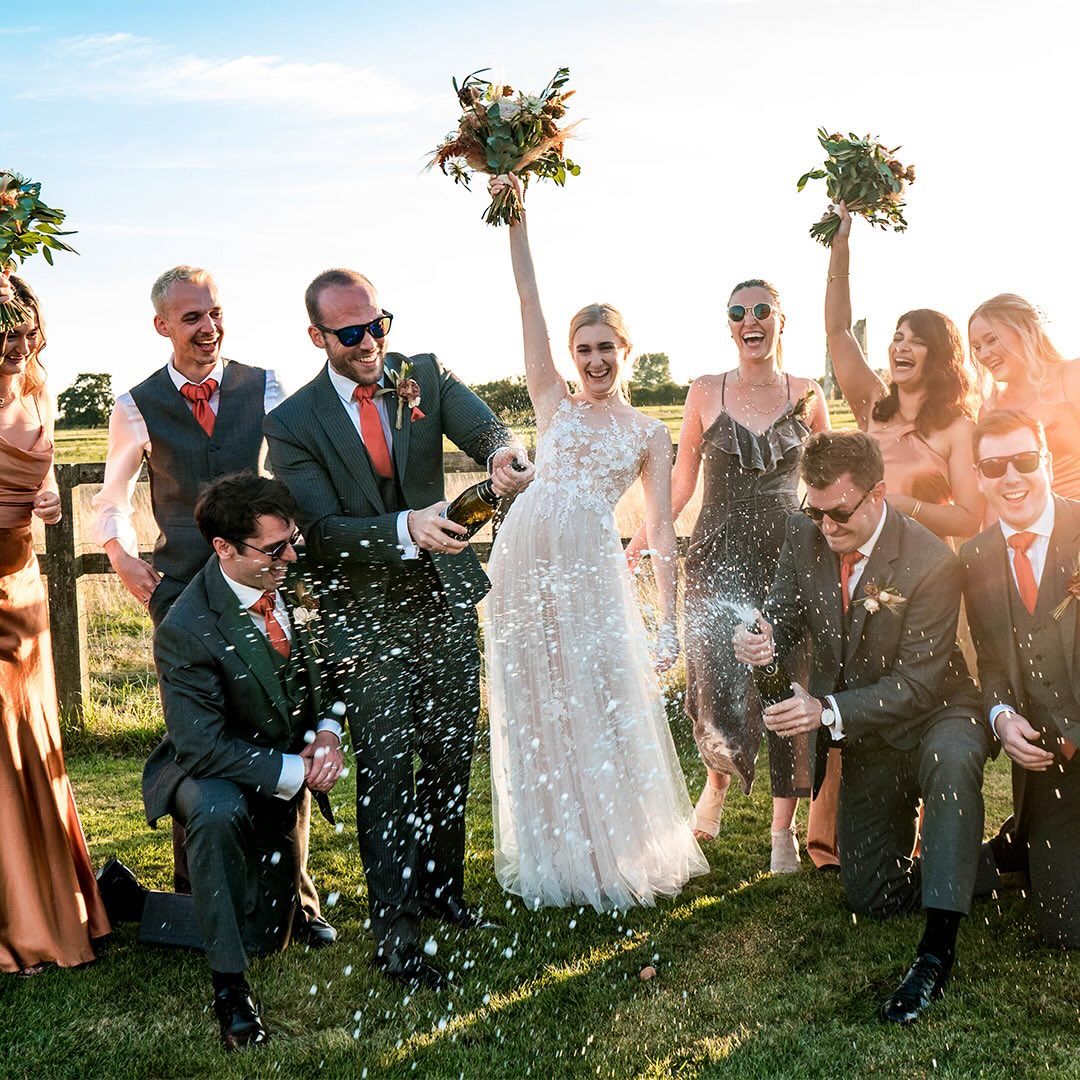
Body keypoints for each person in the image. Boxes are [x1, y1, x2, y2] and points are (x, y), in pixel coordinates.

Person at [264, 267, 534, 990]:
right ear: (317, 336)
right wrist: (403, 528)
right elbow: (317, 533)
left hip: (442, 603)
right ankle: (397, 935)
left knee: (450, 755)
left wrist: (503, 454)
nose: (370, 343)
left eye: (378, 325)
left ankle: (445, 893)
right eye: (351, 333)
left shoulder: (423, 373)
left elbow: (485, 427)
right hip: (362, 616)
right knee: (386, 771)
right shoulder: (290, 424)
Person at [484, 173, 707, 911]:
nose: (595, 359)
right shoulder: (552, 400)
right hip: (522, 561)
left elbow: (665, 532)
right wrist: (516, 213)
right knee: (538, 700)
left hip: (587, 567)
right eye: (585, 348)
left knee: (600, 698)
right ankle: (556, 853)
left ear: (627, 350)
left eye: (607, 347)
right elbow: (526, 301)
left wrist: (669, 620)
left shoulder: (648, 434)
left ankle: (611, 853)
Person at [90, 266, 333, 945]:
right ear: (163, 325)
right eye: (192, 316)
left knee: (282, 730)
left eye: (215, 312)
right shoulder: (136, 404)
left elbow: (292, 479)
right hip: (182, 598)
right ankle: (201, 894)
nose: (209, 327)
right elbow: (111, 498)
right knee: (196, 746)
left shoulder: (266, 386)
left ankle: (298, 904)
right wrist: (121, 555)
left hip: (260, 587)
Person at [734, 430, 990, 1025]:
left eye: (839, 512)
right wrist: (760, 636)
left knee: (952, 766)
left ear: (878, 494)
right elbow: (784, 615)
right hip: (872, 733)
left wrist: (823, 710)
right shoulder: (806, 536)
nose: (825, 526)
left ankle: (936, 951)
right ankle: (986, 860)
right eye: (814, 510)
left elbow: (919, 685)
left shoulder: (931, 561)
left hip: (940, 714)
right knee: (872, 896)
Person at [629, 277, 831, 873]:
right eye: (738, 312)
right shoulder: (702, 392)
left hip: (787, 559)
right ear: (730, 324)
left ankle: (781, 833)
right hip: (715, 556)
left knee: (785, 681)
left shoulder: (809, 394)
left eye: (762, 310)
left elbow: (823, 484)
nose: (751, 320)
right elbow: (681, 484)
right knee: (713, 685)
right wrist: (637, 544)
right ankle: (715, 788)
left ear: (780, 320)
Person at [138, 473, 344, 1051]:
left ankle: (134, 903)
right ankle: (230, 989)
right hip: (205, 770)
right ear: (223, 548)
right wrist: (299, 771)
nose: (292, 554)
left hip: (280, 759)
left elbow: (329, 672)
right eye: (275, 548)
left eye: (293, 540)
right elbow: (200, 746)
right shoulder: (185, 628)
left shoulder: (294, 580)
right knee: (217, 811)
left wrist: (326, 734)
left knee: (265, 935)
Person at [0, 272, 111, 974]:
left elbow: (39, 476)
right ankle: (18, 919)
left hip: (23, 588)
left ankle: (54, 904)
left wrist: (48, 500)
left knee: (29, 742)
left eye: (26, 334)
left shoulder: (38, 388)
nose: (19, 348)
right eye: (5, 337)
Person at [960, 410, 1079, 948]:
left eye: (1024, 461)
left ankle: (1015, 841)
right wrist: (1002, 717)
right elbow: (990, 662)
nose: (1011, 478)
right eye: (994, 466)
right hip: (1051, 765)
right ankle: (1025, 838)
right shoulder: (976, 556)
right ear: (979, 476)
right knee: (1065, 928)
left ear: (1046, 462)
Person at [824, 203, 984, 539]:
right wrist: (841, 246)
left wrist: (903, 506)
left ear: (940, 357)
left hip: (926, 568)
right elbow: (838, 330)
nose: (901, 347)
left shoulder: (958, 429)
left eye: (917, 341)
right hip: (859, 560)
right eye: (898, 338)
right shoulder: (873, 403)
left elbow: (969, 520)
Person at [969, 293, 1080, 498]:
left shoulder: (1073, 375)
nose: (983, 354)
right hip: (1033, 526)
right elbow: (994, 494)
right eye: (977, 348)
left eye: (991, 340)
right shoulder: (990, 411)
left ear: (1026, 331)